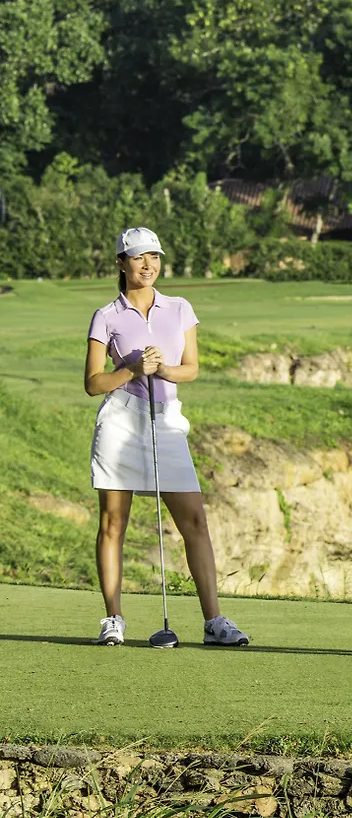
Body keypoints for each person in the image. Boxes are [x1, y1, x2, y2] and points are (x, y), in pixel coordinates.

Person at [84, 227, 249, 648]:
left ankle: (214, 621)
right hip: (122, 421)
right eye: (138, 258)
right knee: (113, 523)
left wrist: (162, 370)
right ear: (121, 263)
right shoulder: (107, 315)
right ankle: (113, 619)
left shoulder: (179, 308)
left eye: (154, 257)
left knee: (194, 521)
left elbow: (190, 368)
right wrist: (132, 370)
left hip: (166, 420)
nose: (148, 265)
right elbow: (93, 382)